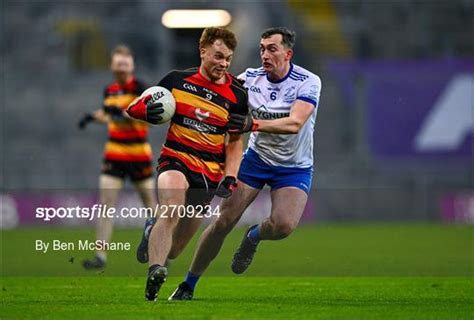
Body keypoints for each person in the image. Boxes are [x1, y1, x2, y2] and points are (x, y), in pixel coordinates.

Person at [169, 27, 322, 300]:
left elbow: (296, 123)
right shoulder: (248, 80)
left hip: (294, 166)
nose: (265, 54)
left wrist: (254, 123)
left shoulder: (307, 81)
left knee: (283, 226)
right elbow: (215, 93)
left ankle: (253, 237)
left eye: (272, 49)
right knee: (223, 221)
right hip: (256, 160)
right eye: (262, 48)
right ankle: (188, 285)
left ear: (288, 53)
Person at [126, 27, 248, 301]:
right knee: (171, 209)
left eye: (228, 58)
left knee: (176, 249)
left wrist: (230, 175)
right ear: (202, 51)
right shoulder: (176, 81)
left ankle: (152, 234)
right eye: (218, 56)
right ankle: (155, 271)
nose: (223, 63)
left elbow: (235, 142)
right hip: (175, 160)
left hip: (208, 174)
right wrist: (143, 110)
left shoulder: (238, 95)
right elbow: (134, 107)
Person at [78, 45, 155, 269]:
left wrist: (120, 113)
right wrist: (92, 117)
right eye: (118, 64)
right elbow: (108, 114)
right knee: (106, 205)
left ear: (132, 66)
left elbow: (143, 116)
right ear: (112, 66)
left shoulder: (141, 88)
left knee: (151, 206)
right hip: (115, 152)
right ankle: (100, 256)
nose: (122, 68)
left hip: (139, 154)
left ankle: (161, 250)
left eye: (125, 64)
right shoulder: (109, 90)